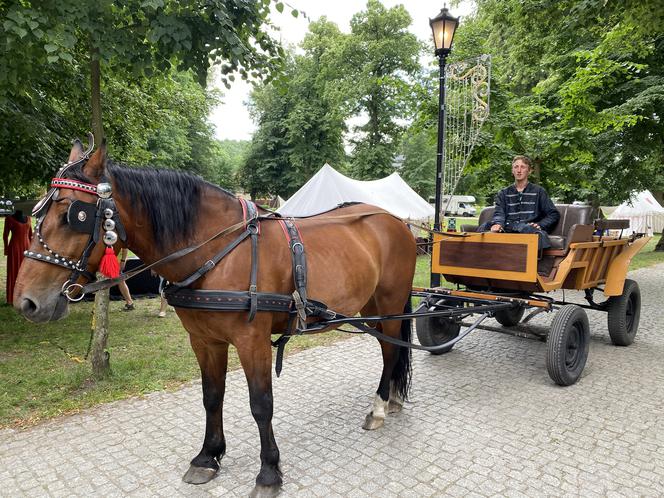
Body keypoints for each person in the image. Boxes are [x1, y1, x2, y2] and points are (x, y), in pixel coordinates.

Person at [478, 155, 560, 251]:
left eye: (523, 167)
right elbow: (499, 213)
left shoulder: (539, 191)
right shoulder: (503, 193)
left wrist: (540, 224)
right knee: (484, 227)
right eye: (516, 167)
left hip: (527, 229)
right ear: (512, 171)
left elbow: (553, 214)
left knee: (534, 232)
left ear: (529, 171)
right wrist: (498, 224)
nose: (519, 170)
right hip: (508, 228)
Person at [3, 210, 32, 305]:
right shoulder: (9, 218)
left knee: (26, 272)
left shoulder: (28, 218)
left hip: (26, 247)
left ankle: (25, 296)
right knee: (13, 271)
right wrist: (6, 249)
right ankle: (11, 298)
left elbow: (30, 234)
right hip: (15, 248)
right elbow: (5, 235)